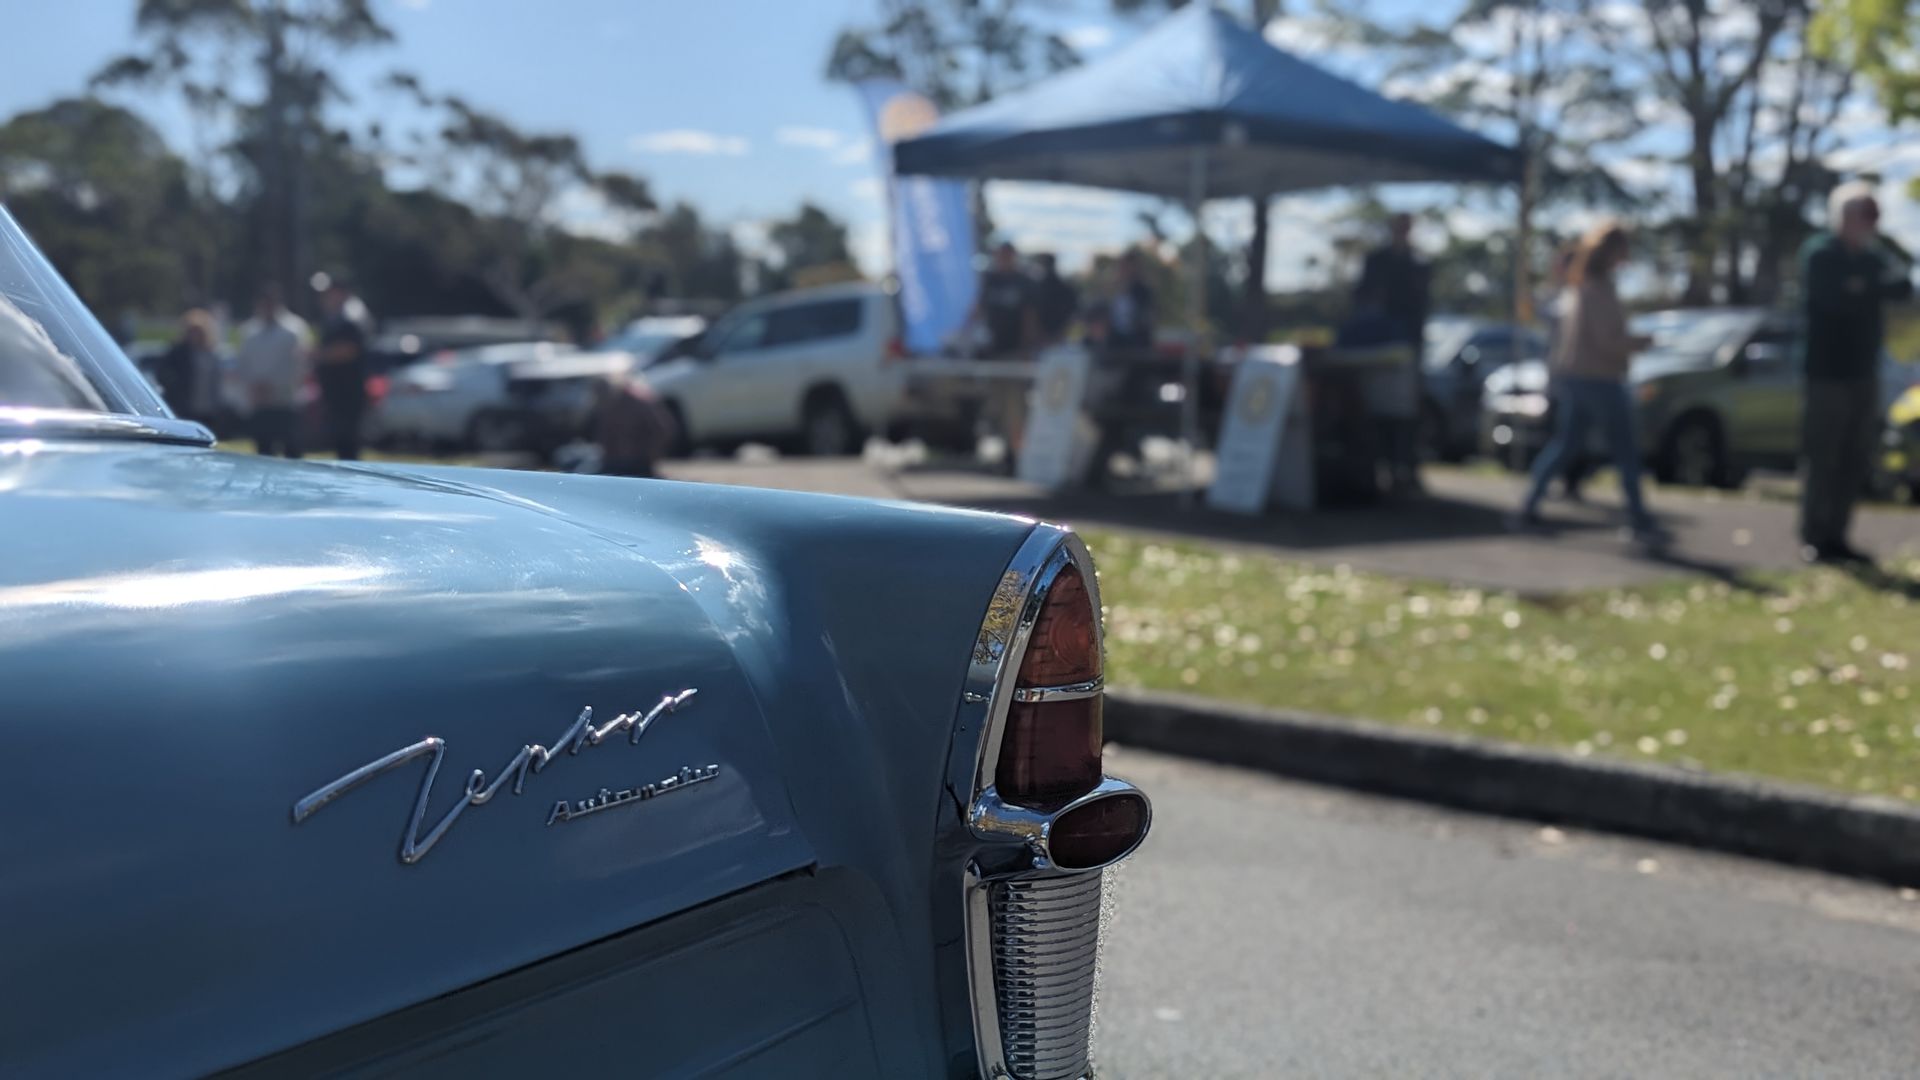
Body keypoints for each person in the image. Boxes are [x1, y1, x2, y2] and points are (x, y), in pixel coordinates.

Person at [1512, 222, 1662, 544]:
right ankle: (1639, 519)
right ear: (1614, 250)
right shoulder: (1597, 287)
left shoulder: (1587, 284)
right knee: (1625, 450)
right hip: (1598, 378)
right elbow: (1607, 341)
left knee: (1566, 445)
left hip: (1580, 377)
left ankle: (1528, 506)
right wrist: (1641, 342)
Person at [1797, 182, 1913, 564]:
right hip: (1826, 373)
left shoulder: (1871, 259)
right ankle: (1815, 536)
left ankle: (1838, 535)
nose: (1871, 225)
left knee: (1854, 457)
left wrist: (1864, 287)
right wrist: (1867, 289)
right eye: (1866, 216)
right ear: (1844, 217)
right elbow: (1833, 302)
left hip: (1864, 372)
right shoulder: (1821, 253)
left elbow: (1901, 286)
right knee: (1823, 455)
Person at [1354, 213, 1431, 493]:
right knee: (1379, 408)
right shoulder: (1377, 261)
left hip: (1407, 345)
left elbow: (1422, 304)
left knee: (1408, 410)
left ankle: (1406, 467)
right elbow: (1361, 297)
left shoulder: (1419, 262)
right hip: (1379, 345)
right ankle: (1382, 466)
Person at [235, 286, 309, 458]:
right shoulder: (249, 331)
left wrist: (276, 386)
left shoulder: (294, 329)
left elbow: (299, 364)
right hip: (259, 400)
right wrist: (252, 386)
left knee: (292, 451)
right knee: (264, 451)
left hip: (287, 400)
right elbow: (243, 364)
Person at [314, 279, 371, 461]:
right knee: (340, 444)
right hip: (335, 394)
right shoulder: (332, 319)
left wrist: (318, 355)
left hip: (348, 394)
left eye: (329, 293)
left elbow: (349, 350)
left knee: (349, 445)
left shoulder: (351, 316)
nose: (324, 298)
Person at [593, 373, 677, 478]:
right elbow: (605, 436)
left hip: (638, 462)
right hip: (615, 462)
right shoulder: (607, 407)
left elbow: (662, 429)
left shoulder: (639, 402)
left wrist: (651, 454)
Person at [153, 309, 219, 425]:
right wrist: (177, 386)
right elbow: (161, 373)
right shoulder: (177, 352)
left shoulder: (208, 353)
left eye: (198, 331)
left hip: (206, 406)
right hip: (183, 406)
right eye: (192, 331)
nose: (194, 335)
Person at [975, 241, 1038, 358]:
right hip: (991, 342)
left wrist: (1027, 344)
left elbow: (1029, 314)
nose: (1004, 259)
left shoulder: (1023, 282)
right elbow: (979, 308)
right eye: (1001, 255)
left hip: (1015, 344)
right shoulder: (990, 280)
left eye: (1007, 255)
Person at [1032, 253, 1079, 345]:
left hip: (1059, 339)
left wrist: (1060, 334)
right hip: (1044, 339)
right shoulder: (1036, 288)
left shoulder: (1038, 287)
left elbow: (1073, 315)